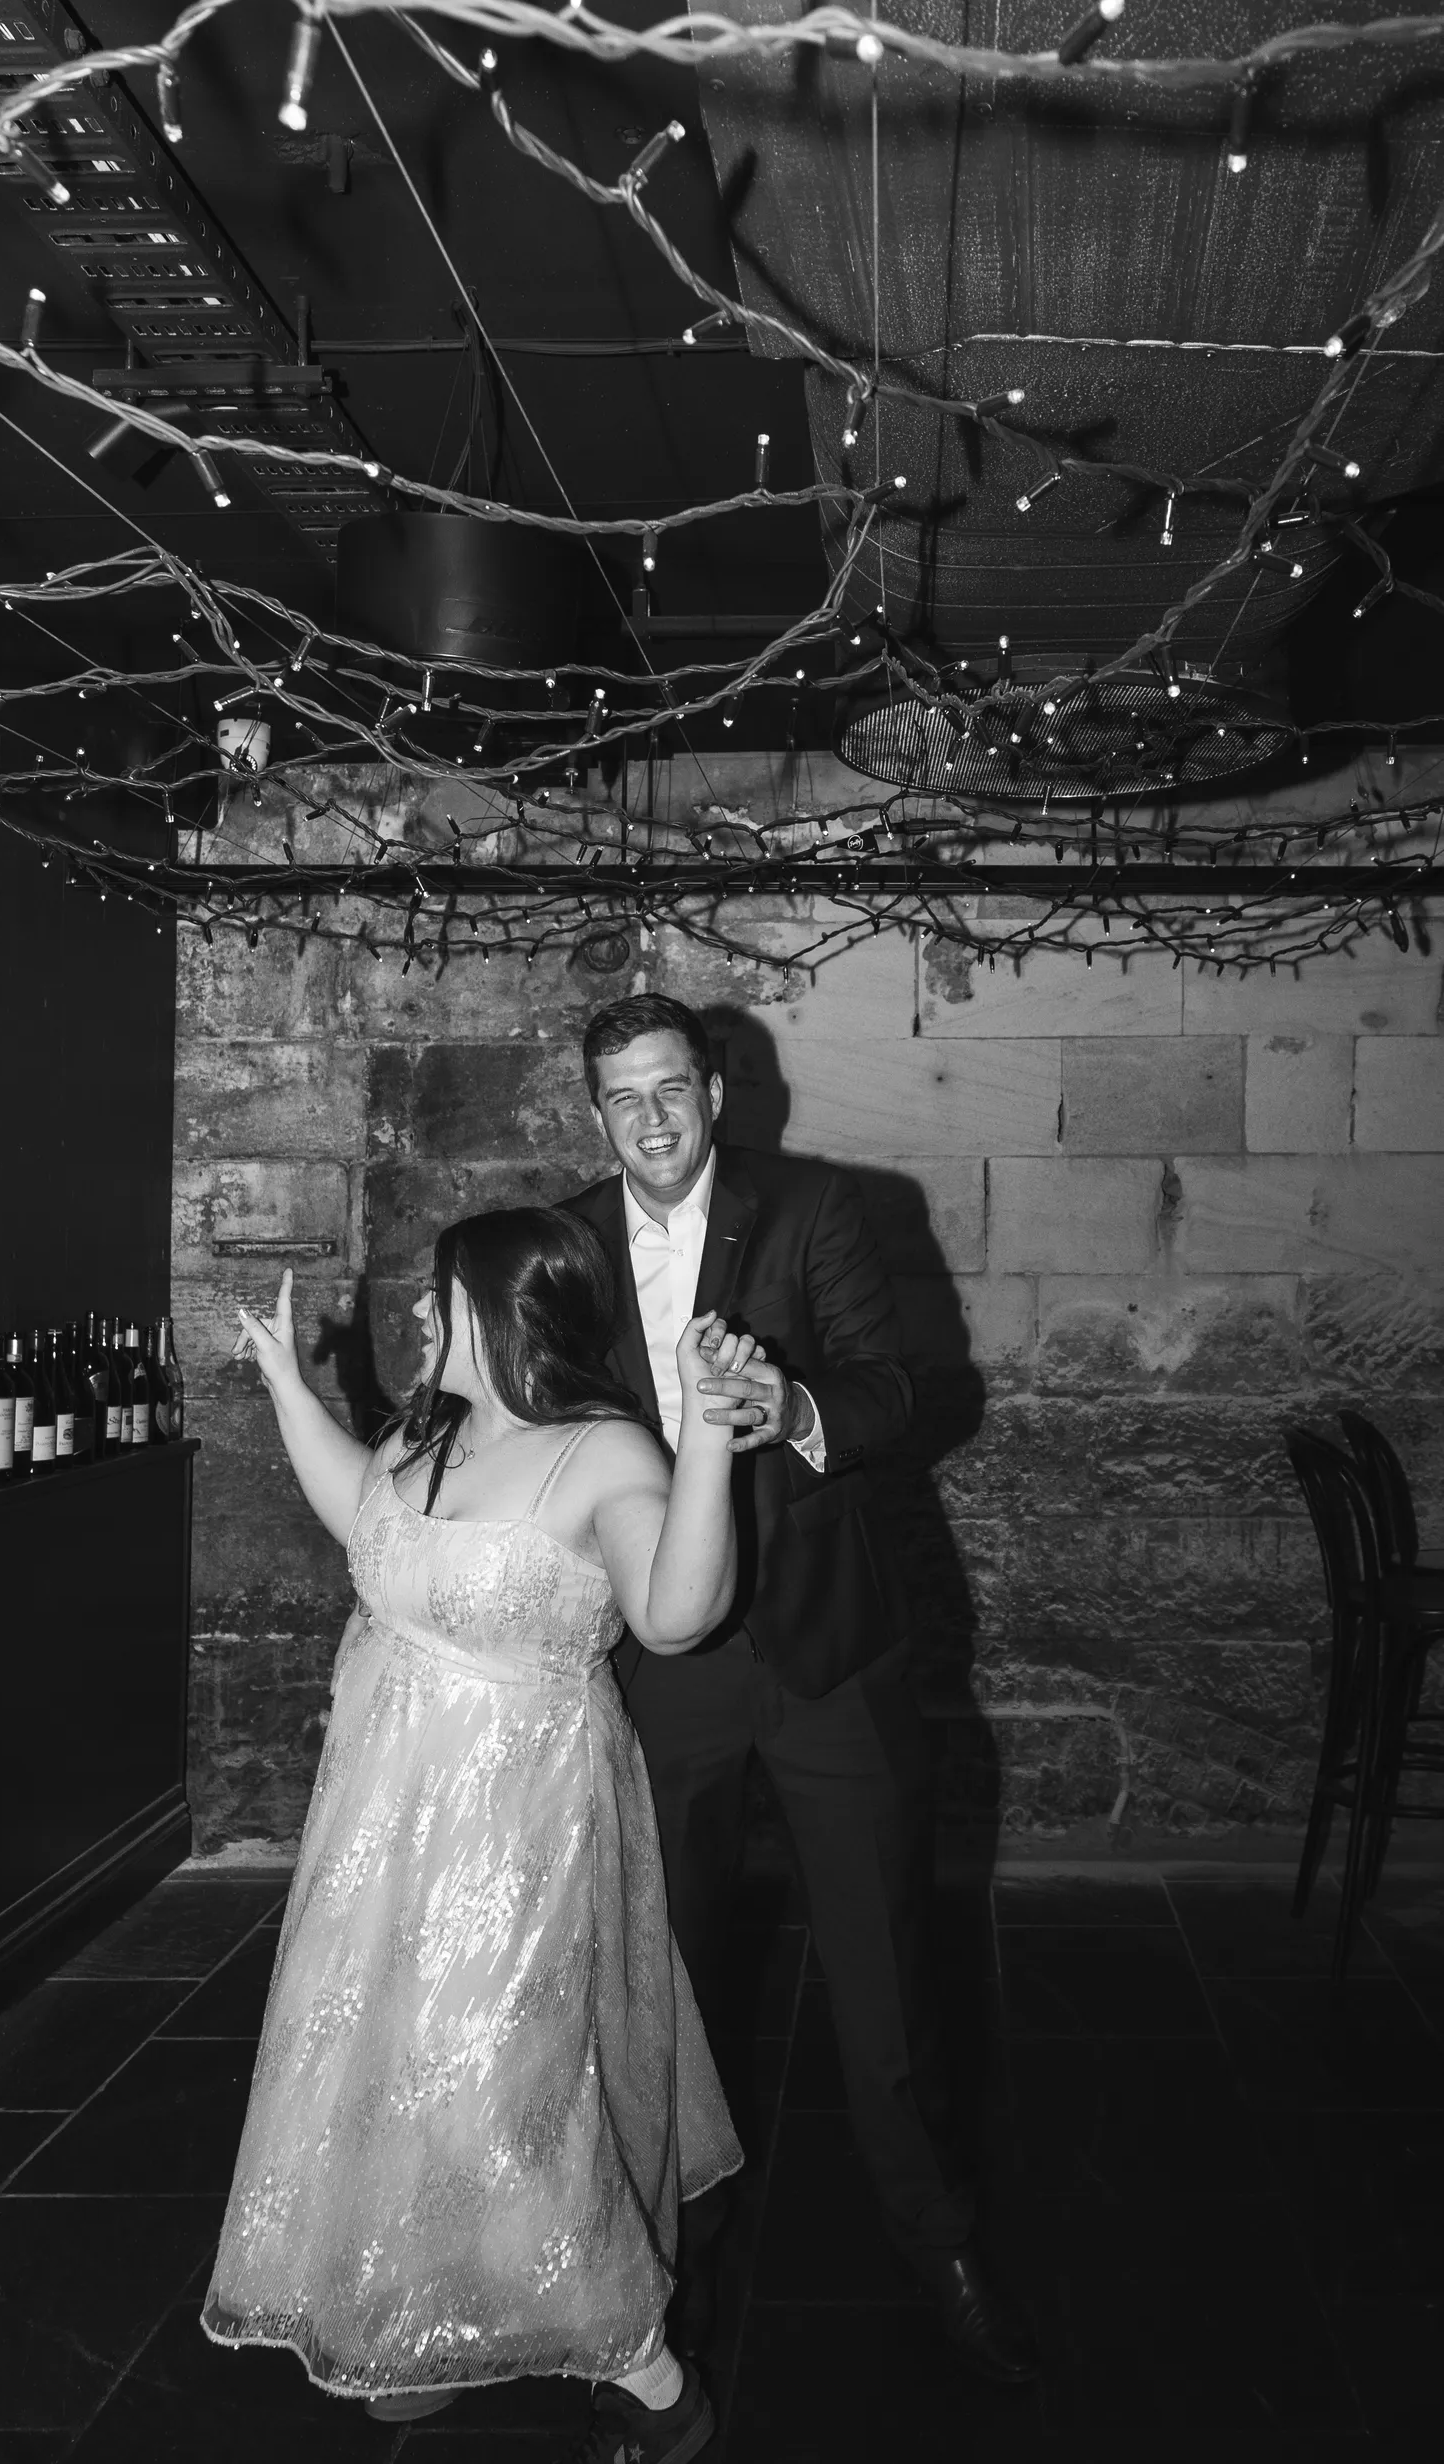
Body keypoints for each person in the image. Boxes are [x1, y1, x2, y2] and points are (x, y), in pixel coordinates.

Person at [201, 1205, 761, 2462]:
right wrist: (290, 1384)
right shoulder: (429, 1432)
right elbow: (364, 1521)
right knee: (401, 2069)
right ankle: (425, 2311)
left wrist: (709, 1436)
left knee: (501, 2091)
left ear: (501, 1313)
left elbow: (677, 1615)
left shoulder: (604, 1454)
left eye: (435, 1299)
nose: (415, 1317)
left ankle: (647, 2368)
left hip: (516, 1835)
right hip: (384, 1829)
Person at [561, 995, 1039, 2387]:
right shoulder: (570, 1241)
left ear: (713, 1089)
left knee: (885, 1972)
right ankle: (664, 2276)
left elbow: (910, 1390)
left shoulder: (817, 1209)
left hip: (832, 1652)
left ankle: (938, 2244)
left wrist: (802, 1411)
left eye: (668, 1091)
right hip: (665, 1665)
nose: (647, 1122)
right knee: (672, 1984)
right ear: (594, 1113)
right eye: (619, 1101)